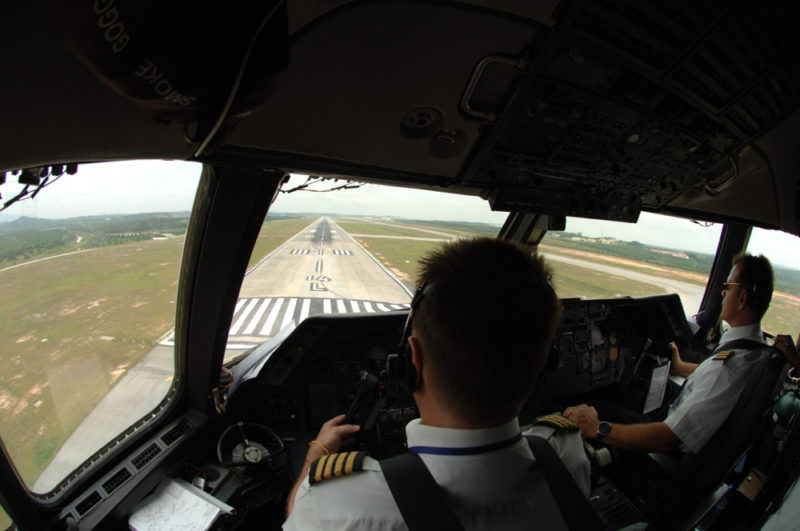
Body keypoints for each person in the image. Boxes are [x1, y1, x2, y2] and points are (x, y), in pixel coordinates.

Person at [284, 237, 589, 530]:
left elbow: (296, 515)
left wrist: (317, 453)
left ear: (411, 360)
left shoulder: (335, 504)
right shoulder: (568, 454)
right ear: (543, 364)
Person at [566, 253, 776, 455]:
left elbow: (668, 439)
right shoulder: (756, 348)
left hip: (666, 447)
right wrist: (680, 367)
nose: (722, 293)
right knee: (642, 382)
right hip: (684, 408)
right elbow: (713, 381)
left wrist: (595, 427)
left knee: (597, 405)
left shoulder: (727, 368)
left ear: (742, 298)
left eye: (728, 287)